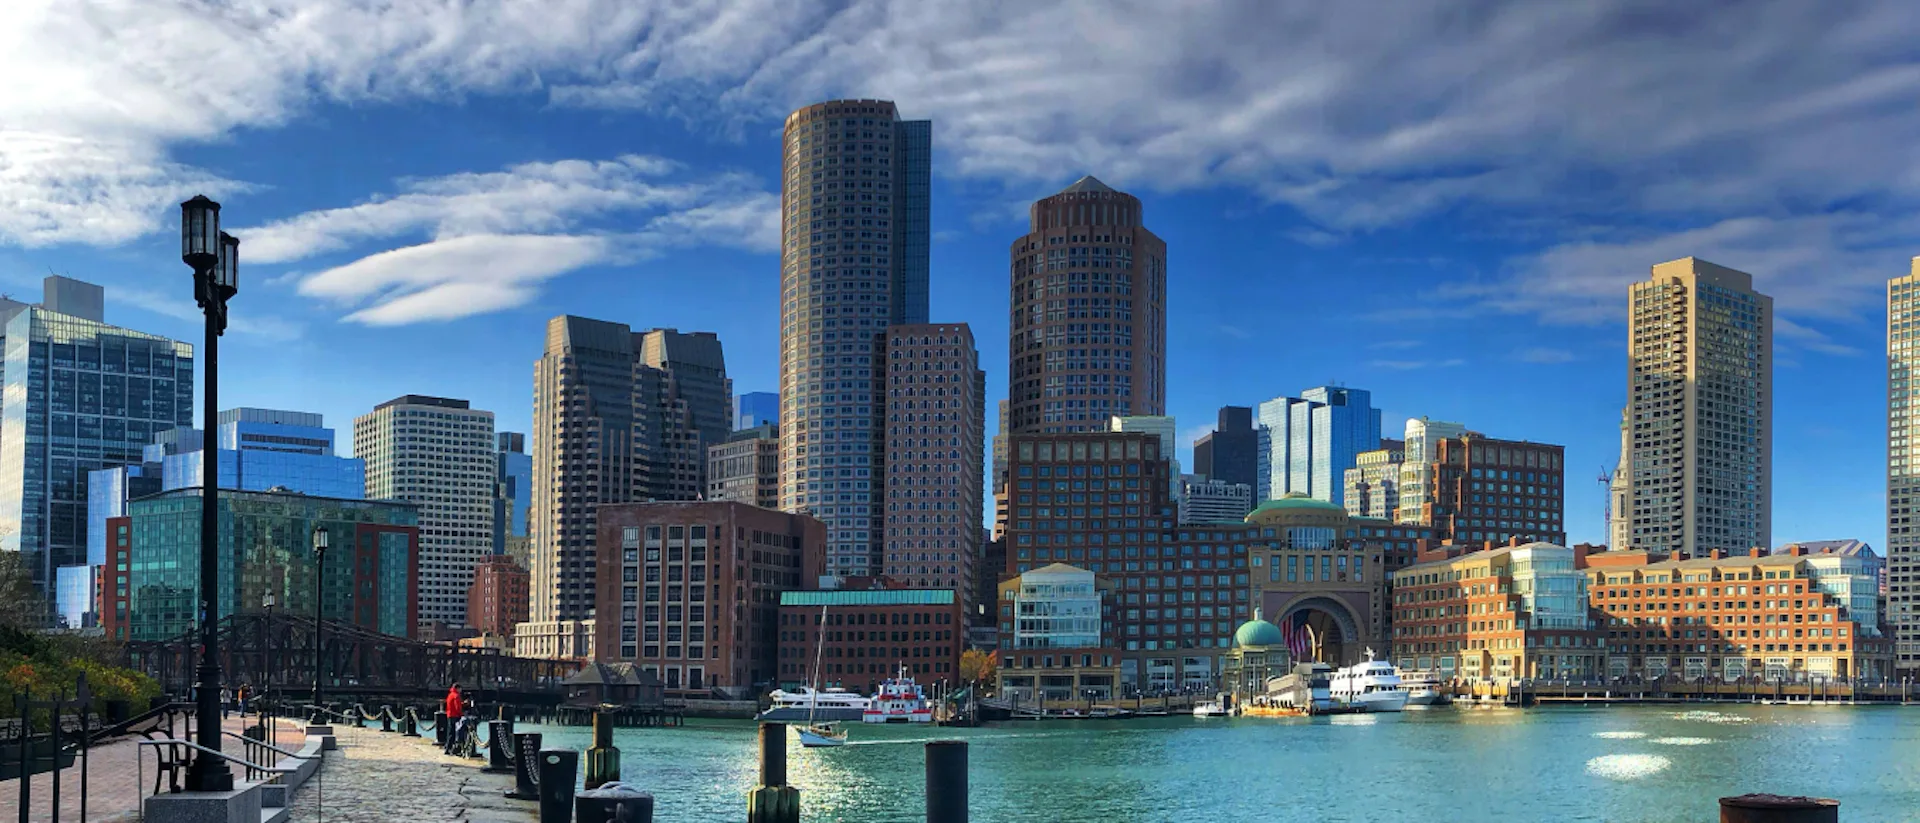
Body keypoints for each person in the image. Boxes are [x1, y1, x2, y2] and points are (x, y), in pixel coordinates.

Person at [443, 682, 466, 755]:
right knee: (454, 733)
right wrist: (461, 714)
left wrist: (462, 704)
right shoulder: (456, 696)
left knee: (450, 732)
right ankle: (451, 749)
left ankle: (448, 747)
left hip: (449, 714)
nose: (461, 690)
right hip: (455, 716)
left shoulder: (450, 695)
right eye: (460, 689)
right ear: (457, 688)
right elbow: (457, 707)